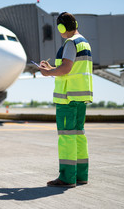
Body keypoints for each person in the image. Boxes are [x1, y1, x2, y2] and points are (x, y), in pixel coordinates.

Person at [39, 12, 93, 188]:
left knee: (66, 138)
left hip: (67, 99)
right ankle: (81, 176)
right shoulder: (84, 42)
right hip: (80, 97)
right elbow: (70, 68)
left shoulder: (70, 43)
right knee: (79, 136)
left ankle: (67, 178)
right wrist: (52, 68)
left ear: (62, 28)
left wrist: (48, 72)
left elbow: (66, 69)